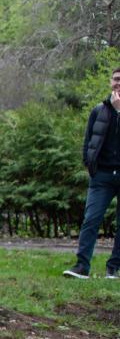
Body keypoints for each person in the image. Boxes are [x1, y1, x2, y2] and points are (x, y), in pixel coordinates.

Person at [63, 68, 120, 279]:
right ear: (110, 82)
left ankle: (113, 268)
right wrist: (89, 165)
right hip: (102, 176)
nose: (118, 84)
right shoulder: (98, 110)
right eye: (116, 79)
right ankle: (81, 266)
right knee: (91, 219)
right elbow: (88, 141)